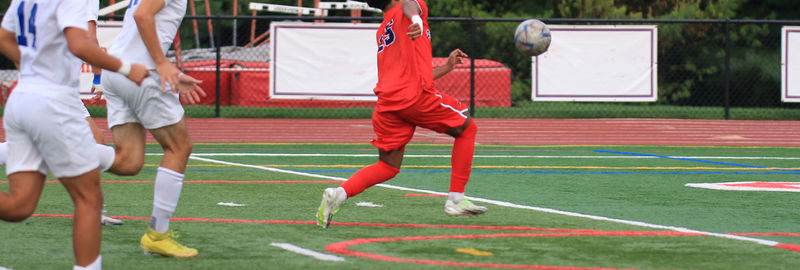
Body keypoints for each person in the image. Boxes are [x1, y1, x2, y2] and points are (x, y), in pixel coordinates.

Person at [0, 0, 149, 268]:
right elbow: (79, 44)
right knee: (89, 198)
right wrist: (126, 68)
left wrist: (34, 68)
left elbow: (3, 38)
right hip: (52, 102)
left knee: (18, 206)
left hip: (22, 99)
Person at [316, 0, 486, 229]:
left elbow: (412, 73)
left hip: (388, 105)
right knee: (467, 129)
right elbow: (409, 4)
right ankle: (456, 200)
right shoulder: (409, 9)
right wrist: (416, 18)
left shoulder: (383, 28)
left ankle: (338, 194)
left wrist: (446, 67)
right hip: (413, 98)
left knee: (388, 166)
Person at [97, 0, 205, 258]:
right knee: (180, 146)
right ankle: (158, 234)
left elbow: (142, 17)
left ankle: (55, 150)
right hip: (139, 72)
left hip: (118, 69)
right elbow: (143, 15)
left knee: (128, 161)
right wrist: (161, 63)